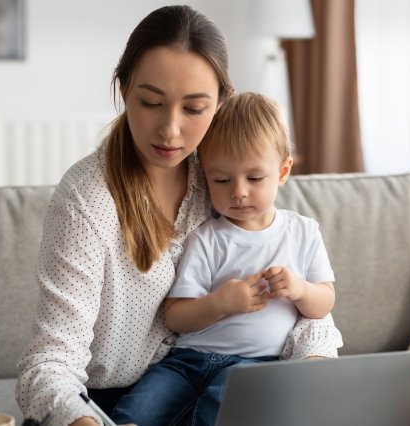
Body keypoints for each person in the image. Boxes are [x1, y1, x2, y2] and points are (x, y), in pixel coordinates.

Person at [15, 6, 342, 426]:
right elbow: (49, 361)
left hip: (234, 387)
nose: (170, 131)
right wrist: (82, 420)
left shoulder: (225, 182)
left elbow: (305, 302)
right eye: (150, 102)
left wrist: (310, 367)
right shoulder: (86, 200)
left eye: (193, 109)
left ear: (221, 104)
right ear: (123, 88)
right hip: (110, 406)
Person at [110, 92, 338, 426]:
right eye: (221, 180)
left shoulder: (303, 232)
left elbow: (324, 303)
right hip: (188, 360)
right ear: (205, 178)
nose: (238, 191)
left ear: (283, 171)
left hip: (254, 365)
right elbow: (175, 317)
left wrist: (300, 289)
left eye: (254, 178)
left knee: (220, 408)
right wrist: (221, 303)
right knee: (135, 411)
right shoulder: (206, 237)